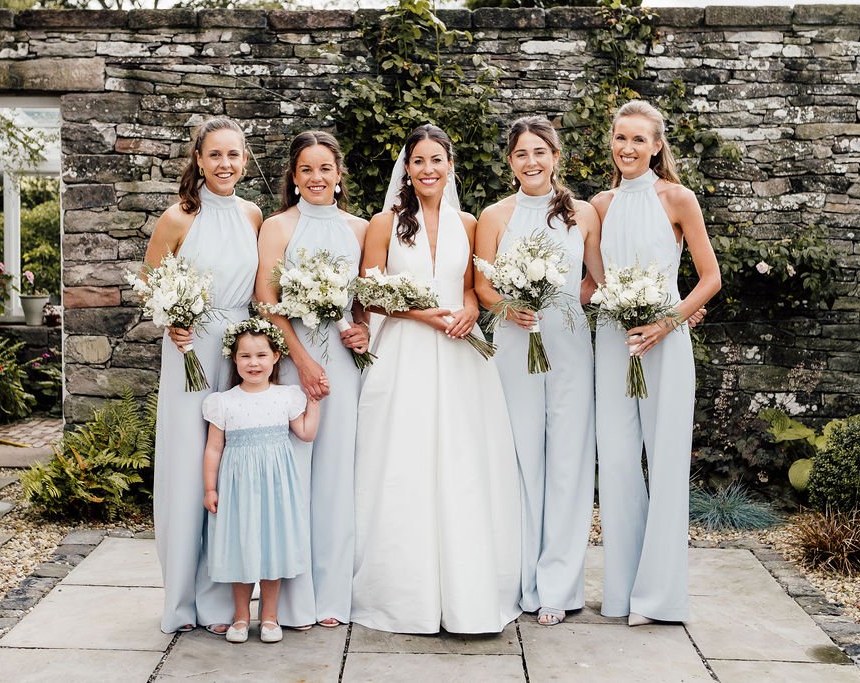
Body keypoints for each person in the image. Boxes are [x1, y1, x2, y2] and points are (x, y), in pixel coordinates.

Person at [352, 124, 522, 634]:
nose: (428, 169)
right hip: (404, 352)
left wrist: (470, 310)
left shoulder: (466, 222)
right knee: (403, 459)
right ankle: (404, 592)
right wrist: (426, 316)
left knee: (462, 459)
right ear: (407, 168)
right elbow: (367, 294)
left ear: (450, 166)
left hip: (460, 354)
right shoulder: (384, 223)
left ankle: (467, 590)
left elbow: (471, 285)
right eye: (418, 160)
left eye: (437, 160)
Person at [591, 100, 721, 626]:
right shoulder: (598, 204)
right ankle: (622, 593)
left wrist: (669, 321)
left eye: (639, 139)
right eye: (621, 138)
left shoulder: (678, 198)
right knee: (619, 463)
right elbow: (594, 278)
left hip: (665, 344)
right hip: (612, 341)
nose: (628, 148)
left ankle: (659, 598)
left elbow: (710, 278)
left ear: (657, 145)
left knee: (665, 464)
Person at [474, 115, 604, 626]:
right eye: (522, 154)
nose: (532, 162)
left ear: (555, 156)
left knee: (569, 462)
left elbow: (597, 279)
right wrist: (509, 308)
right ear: (511, 163)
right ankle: (520, 578)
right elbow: (483, 286)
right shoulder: (494, 215)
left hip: (569, 347)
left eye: (540, 152)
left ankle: (559, 587)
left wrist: (564, 303)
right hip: (514, 345)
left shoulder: (584, 212)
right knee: (521, 459)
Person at [145, 117, 262, 635]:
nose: (225, 165)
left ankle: (221, 602)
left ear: (244, 159)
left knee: (231, 467)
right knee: (189, 464)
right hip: (191, 347)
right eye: (215, 155)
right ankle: (182, 599)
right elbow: (151, 282)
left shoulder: (254, 214)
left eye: (233, 155)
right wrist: (172, 316)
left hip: (240, 350)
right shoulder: (177, 218)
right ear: (198, 159)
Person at [256, 131, 369, 629]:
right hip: (294, 360)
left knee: (339, 477)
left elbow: (367, 299)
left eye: (325, 168)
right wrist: (299, 360)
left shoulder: (361, 228)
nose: (316, 177)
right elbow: (265, 301)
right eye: (306, 169)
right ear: (294, 177)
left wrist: (363, 330)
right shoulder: (279, 227)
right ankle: (293, 600)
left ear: (339, 174)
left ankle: (333, 597)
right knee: (294, 477)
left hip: (343, 366)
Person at [202, 318, 321, 644]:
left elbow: (306, 434)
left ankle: (269, 617)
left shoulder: (286, 397)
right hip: (238, 490)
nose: (253, 363)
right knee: (240, 550)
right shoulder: (224, 402)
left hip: (275, 489)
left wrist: (314, 402)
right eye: (245, 356)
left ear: (276, 356)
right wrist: (210, 488)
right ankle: (241, 617)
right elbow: (214, 448)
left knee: (272, 548)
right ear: (234, 359)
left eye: (260, 356)